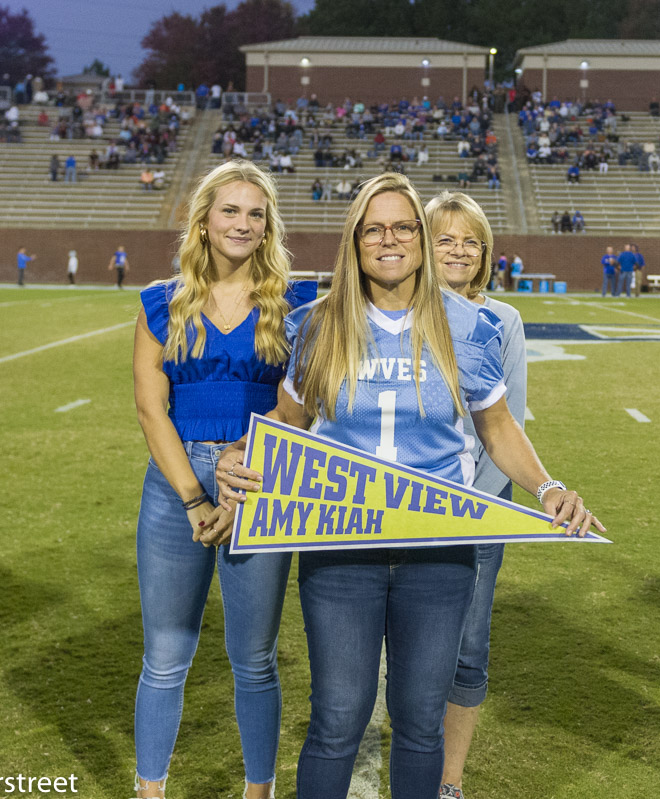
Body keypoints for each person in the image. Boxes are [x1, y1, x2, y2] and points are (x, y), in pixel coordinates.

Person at [210, 173, 601, 799]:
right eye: (374, 228)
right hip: (340, 545)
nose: (388, 239)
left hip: (438, 550)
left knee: (421, 725)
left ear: (419, 237)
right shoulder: (317, 325)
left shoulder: (471, 326)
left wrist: (548, 487)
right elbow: (288, 425)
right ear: (355, 241)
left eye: (402, 226)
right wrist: (237, 456)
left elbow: (497, 429)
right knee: (337, 719)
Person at [131, 159, 316, 799]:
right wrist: (191, 496)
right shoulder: (160, 301)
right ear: (204, 222)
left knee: (254, 660)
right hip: (174, 483)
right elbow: (151, 408)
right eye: (230, 210)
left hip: (263, 487)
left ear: (268, 228)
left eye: (256, 213)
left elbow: (304, 403)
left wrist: (244, 482)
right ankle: (149, 790)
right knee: (165, 656)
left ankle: (257, 791)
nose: (243, 223)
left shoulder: (296, 304)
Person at [424, 192, 528, 799]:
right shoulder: (397, 312)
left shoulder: (503, 320)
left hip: (477, 511)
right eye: (446, 238)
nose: (460, 250)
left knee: (467, 652)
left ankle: (450, 782)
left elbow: (506, 422)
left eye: (472, 241)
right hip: (400, 511)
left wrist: (474, 503)